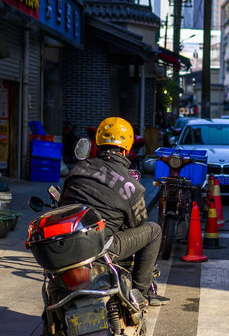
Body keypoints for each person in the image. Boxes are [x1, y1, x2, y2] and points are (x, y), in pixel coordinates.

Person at [59, 117, 167, 306]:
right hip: (102, 246)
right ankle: (140, 292)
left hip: (69, 241)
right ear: (127, 150)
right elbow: (137, 223)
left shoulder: (77, 169)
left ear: (97, 144)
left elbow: (62, 205)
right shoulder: (133, 186)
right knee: (154, 231)